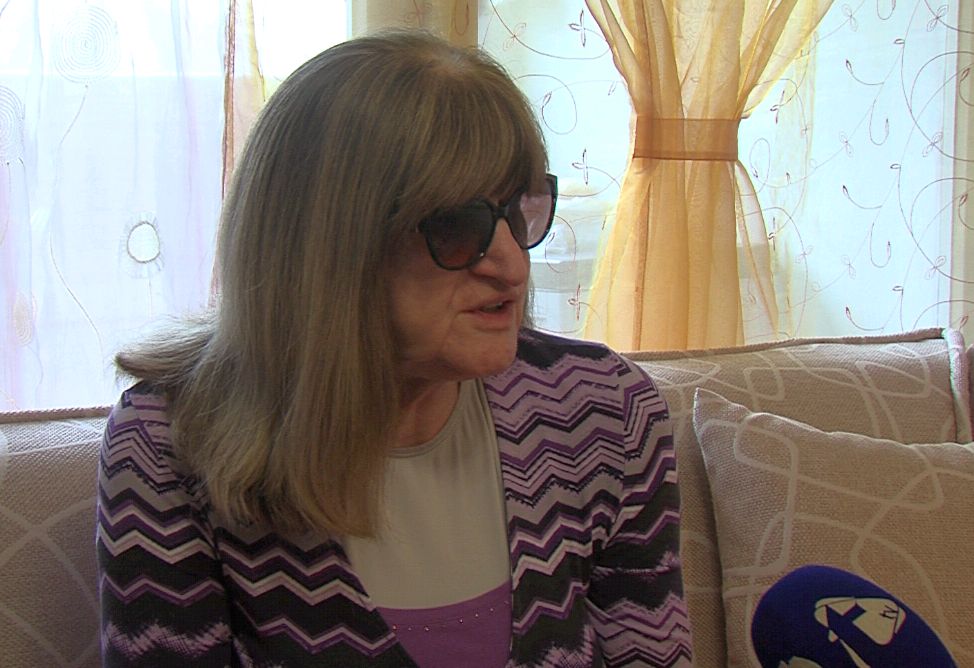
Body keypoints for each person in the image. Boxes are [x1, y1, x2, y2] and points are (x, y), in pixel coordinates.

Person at [96, 30, 691, 667]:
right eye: (458, 226)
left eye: (517, 213)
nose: (513, 265)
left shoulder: (603, 410)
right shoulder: (172, 445)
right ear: (328, 247)